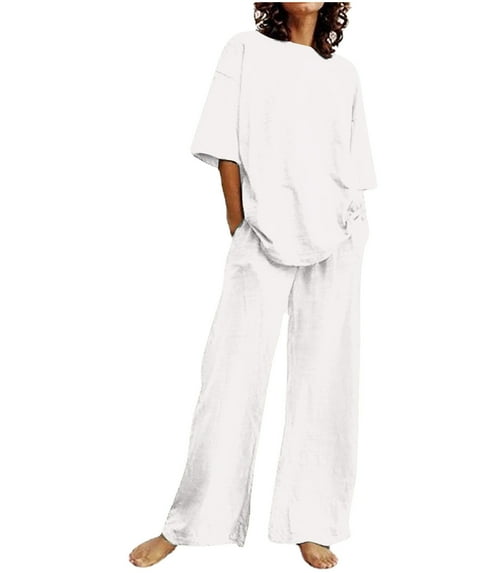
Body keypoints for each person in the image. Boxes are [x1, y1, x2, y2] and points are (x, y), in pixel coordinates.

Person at [129, 2, 377, 569]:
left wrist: (355, 228)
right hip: (261, 232)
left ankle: (312, 522)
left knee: (327, 378)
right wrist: (237, 220)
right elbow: (225, 143)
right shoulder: (244, 50)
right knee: (230, 374)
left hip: (339, 234)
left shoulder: (345, 74)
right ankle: (190, 523)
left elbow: (356, 164)